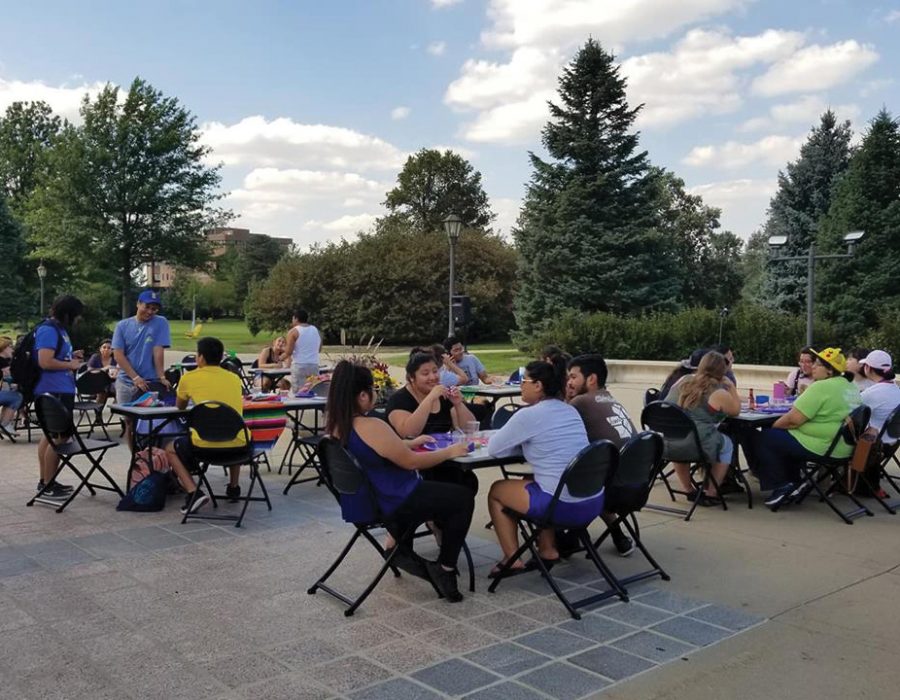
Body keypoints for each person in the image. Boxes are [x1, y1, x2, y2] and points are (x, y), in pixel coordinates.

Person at [326, 360, 474, 602]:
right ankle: (445, 568)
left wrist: (406, 443)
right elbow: (411, 463)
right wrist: (450, 452)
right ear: (363, 396)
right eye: (372, 389)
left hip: (360, 501)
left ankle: (399, 548)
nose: (375, 393)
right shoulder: (370, 424)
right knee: (462, 496)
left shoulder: (337, 423)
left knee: (438, 492)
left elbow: (369, 450)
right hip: (391, 500)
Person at [486, 358, 593, 575]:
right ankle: (547, 549)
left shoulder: (529, 415)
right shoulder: (569, 411)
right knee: (531, 481)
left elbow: (494, 449)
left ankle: (511, 558)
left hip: (562, 505)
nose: (520, 386)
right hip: (591, 500)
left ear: (538, 385)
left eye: (524, 381)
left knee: (497, 490)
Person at [755, 347, 862, 509]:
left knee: (768, 437)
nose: (812, 367)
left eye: (817, 364)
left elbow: (792, 420)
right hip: (845, 447)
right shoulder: (849, 386)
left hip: (824, 446)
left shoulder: (821, 387)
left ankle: (782, 485)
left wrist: (773, 425)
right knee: (785, 439)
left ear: (829, 371)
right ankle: (794, 482)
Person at [566, 353, 638, 556]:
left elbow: (555, 429)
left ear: (591, 379)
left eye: (573, 377)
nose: (569, 382)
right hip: (636, 483)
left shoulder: (580, 402)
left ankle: (567, 538)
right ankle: (615, 534)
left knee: (568, 479)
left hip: (613, 488)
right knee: (594, 475)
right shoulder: (608, 398)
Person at [164, 337, 246, 514]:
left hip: (203, 447)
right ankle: (234, 487)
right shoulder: (234, 378)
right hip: (239, 448)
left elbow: (180, 407)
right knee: (231, 430)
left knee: (169, 448)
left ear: (200, 358)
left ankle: (193, 492)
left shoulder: (189, 378)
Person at [386, 351, 479, 492]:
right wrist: (430, 399)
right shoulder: (399, 400)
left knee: (468, 480)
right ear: (411, 378)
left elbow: (469, 428)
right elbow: (409, 433)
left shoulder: (444, 397)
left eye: (435, 372)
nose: (433, 377)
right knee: (458, 490)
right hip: (412, 468)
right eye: (425, 373)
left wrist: (459, 404)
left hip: (443, 461)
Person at [664, 351, 741, 503]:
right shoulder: (718, 392)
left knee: (681, 439)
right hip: (697, 445)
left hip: (669, 442)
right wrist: (731, 387)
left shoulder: (683, 380)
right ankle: (711, 492)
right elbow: (735, 411)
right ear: (722, 370)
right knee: (727, 444)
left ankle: (688, 489)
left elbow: (666, 404)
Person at [34, 295, 85, 501]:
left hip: (62, 388)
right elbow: (45, 362)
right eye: (76, 315)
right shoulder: (48, 329)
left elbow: (56, 357)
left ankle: (46, 481)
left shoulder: (59, 330)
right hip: (54, 390)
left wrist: (70, 357)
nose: (78, 319)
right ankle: (47, 484)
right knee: (60, 437)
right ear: (67, 313)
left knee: (50, 436)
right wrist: (70, 365)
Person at [112, 290, 171, 445]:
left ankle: (152, 456)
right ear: (138, 304)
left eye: (154, 309)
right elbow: (118, 354)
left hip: (149, 383)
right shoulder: (122, 326)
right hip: (126, 382)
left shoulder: (160, 322)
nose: (150, 312)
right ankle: (135, 460)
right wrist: (135, 377)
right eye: (147, 307)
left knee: (152, 421)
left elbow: (158, 351)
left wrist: (161, 377)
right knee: (130, 423)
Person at [860, 350, 900, 443]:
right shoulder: (896, 388)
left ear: (868, 368)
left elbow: (849, 411)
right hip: (893, 442)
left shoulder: (871, 393)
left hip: (874, 445)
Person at [282, 309, 321, 390]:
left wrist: (279, 358)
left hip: (299, 365)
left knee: (299, 392)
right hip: (313, 364)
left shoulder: (293, 331)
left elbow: (288, 352)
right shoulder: (315, 330)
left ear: (296, 319)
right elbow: (319, 348)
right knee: (314, 390)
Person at [0, 336, 23, 437]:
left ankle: (3, 423)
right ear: (3, 348)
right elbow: (12, 375)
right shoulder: (2, 362)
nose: (12, 349)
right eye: (10, 346)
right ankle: (5, 424)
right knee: (17, 396)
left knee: (10, 396)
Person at [86, 338, 117, 404]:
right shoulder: (95, 357)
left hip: (112, 384)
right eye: (104, 347)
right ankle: (98, 411)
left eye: (109, 348)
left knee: (121, 389)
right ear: (100, 349)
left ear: (112, 350)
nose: (106, 349)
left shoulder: (115, 359)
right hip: (97, 383)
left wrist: (115, 372)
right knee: (102, 390)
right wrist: (104, 369)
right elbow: (89, 371)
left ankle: (115, 407)